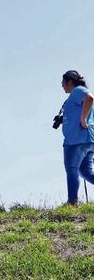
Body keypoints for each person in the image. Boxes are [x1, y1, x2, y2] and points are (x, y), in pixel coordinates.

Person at [59, 70, 94, 205]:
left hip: (76, 140)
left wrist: (83, 120)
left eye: (63, 82)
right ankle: (72, 201)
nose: (62, 86)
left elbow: (90, 98)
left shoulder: (78, 90)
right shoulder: (74, 96)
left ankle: (72, 202)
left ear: (70, 81)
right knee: (85, 171)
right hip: (88, 140)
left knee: (72, 169)